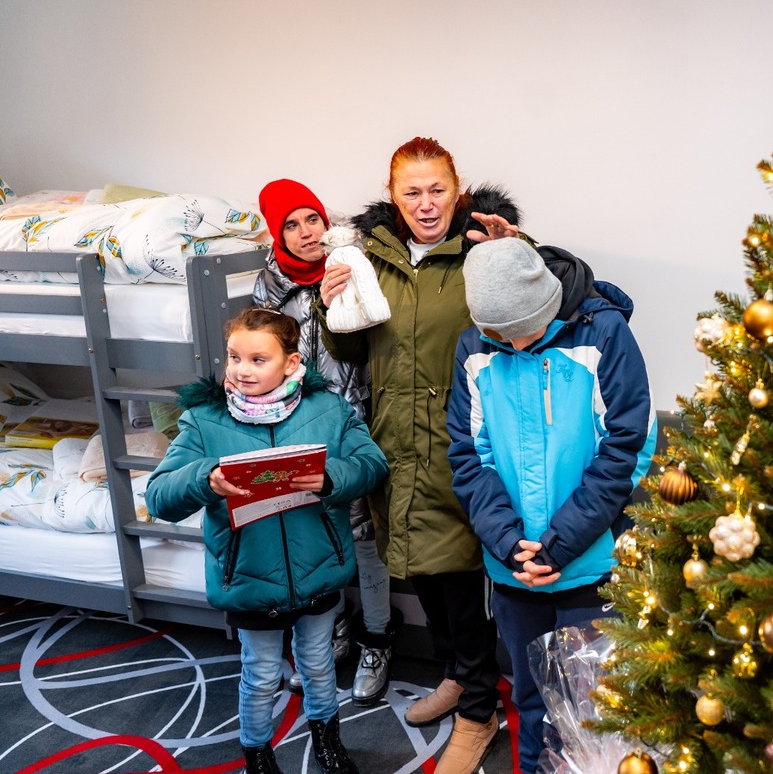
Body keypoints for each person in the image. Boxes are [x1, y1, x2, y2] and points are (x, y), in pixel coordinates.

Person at [317, 137, 521, 774]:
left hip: (462, 442)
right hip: (396, 443)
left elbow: (528, 318)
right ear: (394, 196)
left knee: (459, 578)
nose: (426, 204)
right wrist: (332, 309)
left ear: (457, 193)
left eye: (437, 190)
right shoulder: (370, 257)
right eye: (413, 192)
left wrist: (515, 252)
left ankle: (480, 712)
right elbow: (355, 353)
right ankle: (460, 678)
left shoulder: (481, 249)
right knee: (424, 573)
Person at [146, 308, 389, 774]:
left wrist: (329, 476)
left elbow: (372, 464)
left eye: (259, 359)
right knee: (259, 676)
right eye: (235, 357)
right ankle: (257, 753)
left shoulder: (329, 411)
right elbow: (159, 495)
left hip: (318, 567)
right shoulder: (203, 420)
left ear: (292, 363)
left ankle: (327, 739)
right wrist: (205, 479)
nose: (241, 369)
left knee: (318, 664)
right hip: (249, 575)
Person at [447, 238, 657, 774]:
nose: (515, 343)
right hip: (516, 566)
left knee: (595, 705)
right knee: (531, 698)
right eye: (501, 336)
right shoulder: (474, 348)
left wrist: (561, 544)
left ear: (548, 304)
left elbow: (625, 447)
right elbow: (470, 455)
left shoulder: (604, 334)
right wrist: (507, 540)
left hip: (590, 560)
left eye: (527, 330)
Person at [256, 179, 400, 707]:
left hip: (355, 421)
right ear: (278, 233)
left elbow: (375, 342)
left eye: (311, 219)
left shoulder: (350, 265)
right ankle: (335, 627)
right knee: (316, 530)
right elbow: (265, 357)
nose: (304, 233)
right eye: (290, 225)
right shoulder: (269, 288)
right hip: (298, 427)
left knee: (364, 532)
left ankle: (378, 637)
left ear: (325, 219)